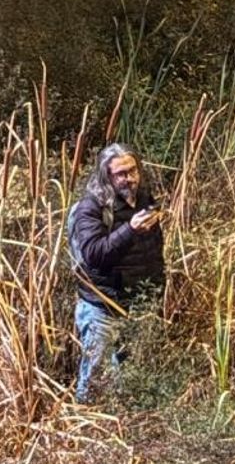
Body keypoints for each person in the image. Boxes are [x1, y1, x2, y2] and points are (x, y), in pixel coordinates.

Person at [68, 143, 166, 402]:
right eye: (120, 173)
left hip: (139, 301)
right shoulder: (92, 207)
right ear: (106, 176)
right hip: (103, 305)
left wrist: (158, 285)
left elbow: (153, 247)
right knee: (94, 377)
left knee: (129, 370)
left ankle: (124, 419)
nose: (129, 178)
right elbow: (94, 255)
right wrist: (130, 230)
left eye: (132, 170)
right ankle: (84, 421)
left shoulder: (143, 197)